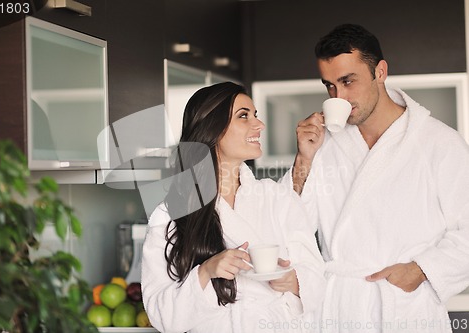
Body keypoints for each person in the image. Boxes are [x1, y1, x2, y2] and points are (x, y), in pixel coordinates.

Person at [281, 23, 469, 332]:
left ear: (380, 71)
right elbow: (291, 224)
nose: (338, 96)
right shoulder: (323, 145)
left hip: (402, 309)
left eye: (348, 81)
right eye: (329, 85)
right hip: (339, 308)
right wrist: (304, 158)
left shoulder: (439, 143)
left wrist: (421, 270)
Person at [141, 82, 326, 333]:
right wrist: (206, 272)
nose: (259, 125)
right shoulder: (171, 214)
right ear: (212, 129)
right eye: (243, 116)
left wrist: (293, 281)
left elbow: (317, 276)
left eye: (256, 115)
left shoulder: (277, 198)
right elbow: (163, 318)